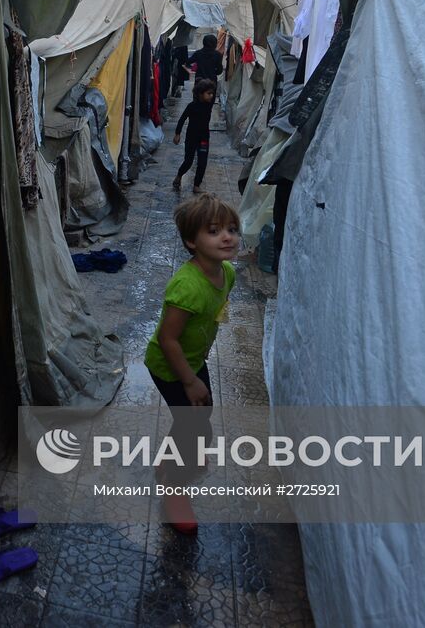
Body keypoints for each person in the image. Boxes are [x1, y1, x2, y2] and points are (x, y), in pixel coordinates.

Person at [144, 192, 240, 533]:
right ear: (190, 241)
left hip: (193, 359)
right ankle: (175, 491)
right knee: (197, 427)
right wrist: (188, 379)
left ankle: (168, 459)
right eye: (213, 231)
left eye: (231, 229)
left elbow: (218, 310)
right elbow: (168, 340)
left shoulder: (227, 272)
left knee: (198, 414)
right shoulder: (186, 287)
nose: (227, 237)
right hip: (169, 366)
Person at [172, 78, 215, 192]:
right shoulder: (192, 106)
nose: (211, 96)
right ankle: (179, 175)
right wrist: (177, 133)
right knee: (188, 161)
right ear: (201, 94)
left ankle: (196, 185)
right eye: (208, 93)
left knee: (202, 162)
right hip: (191, 137)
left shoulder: (209, 106)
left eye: (212, 93)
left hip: (204, 138)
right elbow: (182, 119)